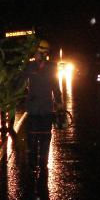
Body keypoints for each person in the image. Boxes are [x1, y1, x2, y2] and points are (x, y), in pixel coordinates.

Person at [21, 39, 63, 175]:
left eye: (37, 52)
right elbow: (20, 82)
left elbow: (56, 86)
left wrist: (59, 103)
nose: (35, 54)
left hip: (46, 109)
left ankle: (43, 165)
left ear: (43, 53)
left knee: (45, 138)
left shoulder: (52, 67)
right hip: (33, 109)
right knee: (31, 138)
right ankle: (33, 165)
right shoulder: (29, 66)